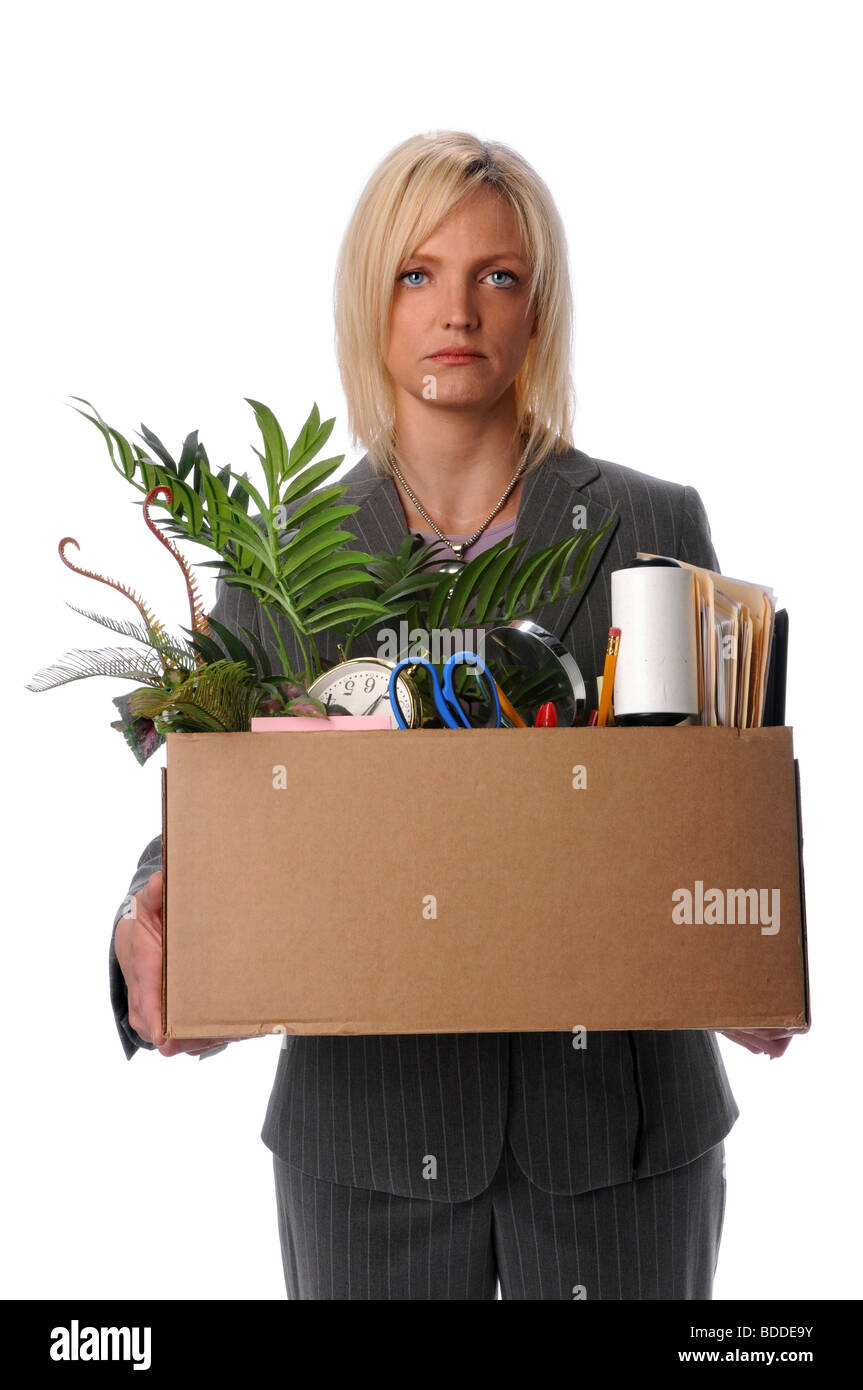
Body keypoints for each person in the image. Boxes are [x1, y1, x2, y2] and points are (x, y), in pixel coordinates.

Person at [111, 131, 798, 1300]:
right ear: (368, 302)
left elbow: (710, 797)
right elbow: (220, 807)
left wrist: (743, 940)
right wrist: (148, 917)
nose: (458, 312)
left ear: (538, 310)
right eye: (416, 273)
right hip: (369, 1152)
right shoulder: (281, 558)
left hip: (618, 1148)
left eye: (499, 276)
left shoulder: (652, 523)